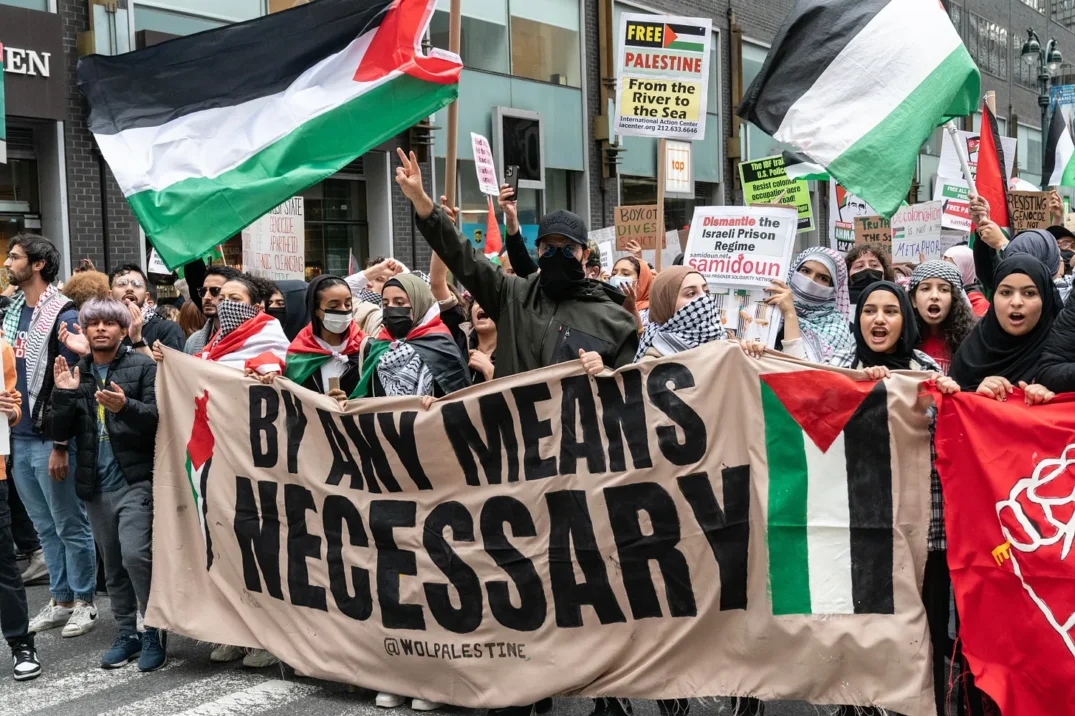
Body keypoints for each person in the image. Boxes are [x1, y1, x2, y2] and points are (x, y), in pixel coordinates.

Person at [396, 149, 637, 376]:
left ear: (585, 255)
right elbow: (463, 255)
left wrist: (605, 372)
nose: (558, 255)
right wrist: (420, 199)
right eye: (549, 248)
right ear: (538, 250)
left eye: (569, 249)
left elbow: (632, 394)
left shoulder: (615, 321)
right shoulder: (512, 296)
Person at [45, 299, 165, 672]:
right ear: (84, 328)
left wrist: (124, 406)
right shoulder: (74, 371)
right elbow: (55, 430)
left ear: (122, 328)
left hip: (135, 480)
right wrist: (64, 395)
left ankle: (154, 630)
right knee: (112, 565)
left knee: (135, 555)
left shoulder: (142, 366)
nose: (100, 329)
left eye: (109, 323)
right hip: (96, 486)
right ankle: (126, 632)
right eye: (93, 323)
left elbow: (158, 420)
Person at [1, 234, 97, 638]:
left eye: (15, 256)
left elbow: (69, 387)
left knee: (69, 523)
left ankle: (85, 602)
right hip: (15, 435)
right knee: (43, 526)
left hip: (47, 438)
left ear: (38, 265)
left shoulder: (64, 314)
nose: (7, 262)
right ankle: (60, 600)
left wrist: (60, 444)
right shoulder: (11, 313)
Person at [950, 255, 1062, 404]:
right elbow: (949, 412)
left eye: (1029, 293)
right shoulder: (970, 352)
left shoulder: (1061, 354)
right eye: (1006, 292)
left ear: (1045, 300)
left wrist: (1054, 399)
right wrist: (976, 397)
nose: (1016, 302)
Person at [354, 274, 470, 400]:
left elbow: (459, 400)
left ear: (419, 303)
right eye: (386, 304)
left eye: (399, 302)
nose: (391, 308)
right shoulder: (377, 347)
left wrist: (438, 402)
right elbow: (366, 397)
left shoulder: (440, 345)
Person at [0, 336, 38, 680]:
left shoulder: (1, 347)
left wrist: (9, 410)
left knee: (4, 565)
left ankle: (21, 643)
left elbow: (14, 412)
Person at [766, 248, 855, 367]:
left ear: (833, 288)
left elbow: (804, 374)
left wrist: (790, 314)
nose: (810, 280)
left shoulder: (836, 330)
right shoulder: (770, 308)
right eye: (805, 271)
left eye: (823, 278)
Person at [284, 276, 365, 403]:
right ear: (315, 310)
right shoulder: (299, 353)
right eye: (333, 306)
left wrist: (350, 402)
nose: (343, 310)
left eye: (348, 304)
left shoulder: (366, 347)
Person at [194, 274, 289, 381]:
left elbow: (280, 360)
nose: (226, 304)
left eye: (235, 299)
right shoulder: (214, 343)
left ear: (255, 308)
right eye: (221, 299)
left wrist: (266, 369)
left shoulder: (269, 334)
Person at [634, 266, 724, 361]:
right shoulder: (652, 364)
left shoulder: (727, 343)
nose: (705, 298)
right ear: (665, 303)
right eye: (691, 293)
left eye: (706, 291)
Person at [908, 262, 976, 374]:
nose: (934, 296)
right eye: (925, 288)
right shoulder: (902, 341)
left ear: (954, 299)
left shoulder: (971, 342)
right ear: (914, 300)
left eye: (944, 289)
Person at [109, 265, 185, 359]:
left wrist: (137, 339)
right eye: (122, 284)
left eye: (137, 284)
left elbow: (171, 372)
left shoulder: (167, 329)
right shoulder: (101, 330)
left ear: (146, 297)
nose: (129, 288)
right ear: (110, 295)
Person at [184, 264, 241, 356]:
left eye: (215, 291)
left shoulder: (253, 339)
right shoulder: (193, 342)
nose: (206, 297)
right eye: (203, 291)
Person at [943, 245, 989, 316]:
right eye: (944, 267)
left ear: (967, 268)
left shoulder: (979, 303)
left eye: (952, 268)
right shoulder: (945, 294)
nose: (946, 273)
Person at [845, 243, 894, 308]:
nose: (867, 269)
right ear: (848, 273)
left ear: (884, 271)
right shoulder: (840, 302)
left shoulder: (896, 297)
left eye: (874, 265)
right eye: (859, 266)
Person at [466, 298, 497, 384]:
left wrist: (488, 370)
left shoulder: (515, 354)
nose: (480, 305)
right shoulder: (461, 349)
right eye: (477, 301)